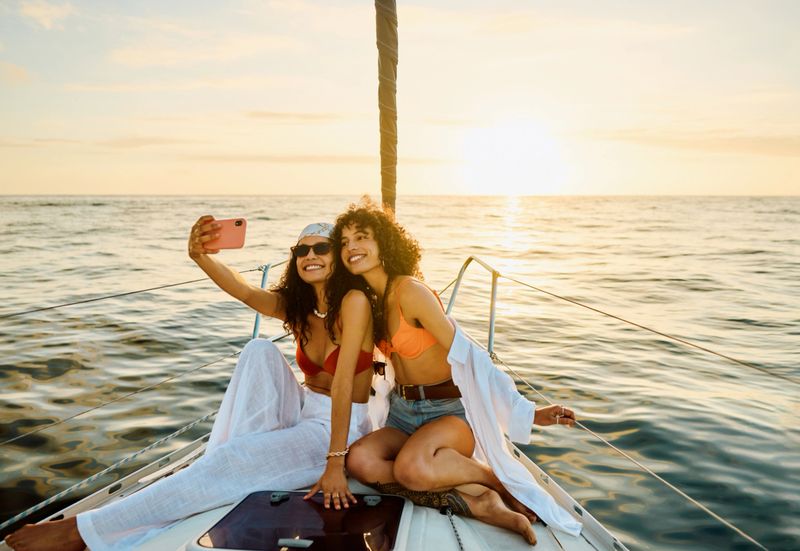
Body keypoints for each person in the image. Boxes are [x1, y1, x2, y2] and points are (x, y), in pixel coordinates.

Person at [6, 218, 375, 551]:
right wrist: (200, 256)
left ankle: (80, 531)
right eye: (301, 250)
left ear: (338, 257)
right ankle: (233, 460)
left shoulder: (353, 302)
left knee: (233, 459)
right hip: (304, 409)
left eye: (321, 248)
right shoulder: (300, 307)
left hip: (338, 429)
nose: (310, 255)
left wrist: (334, 462)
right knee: (259, 349)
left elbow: (342, 386)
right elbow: (246, 292)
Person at [327, 199, 582, 545]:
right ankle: (476, 502)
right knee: (360, 460)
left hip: (447, 413)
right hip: (403, 414)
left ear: (384, 243)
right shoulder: (368, 302)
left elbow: (470, 356)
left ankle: (495, 480)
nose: (351, 246)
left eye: (362, 237)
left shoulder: (410, 292)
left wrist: (529, 412)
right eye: (344, 241)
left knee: (408, 470)